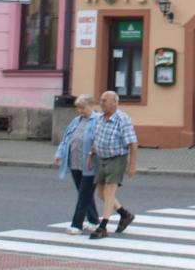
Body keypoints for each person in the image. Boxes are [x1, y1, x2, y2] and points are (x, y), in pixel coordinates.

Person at [87, 90, 138, 239]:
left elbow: (133, 143)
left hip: (117, 158)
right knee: (100, 193)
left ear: (114, 103)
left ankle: (103, 227)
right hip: (102, 158)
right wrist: (91, 155)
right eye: (101, 100)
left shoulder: (122, 119)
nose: (101, 103)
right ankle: (124, 214)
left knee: (109, 192)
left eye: (104, 101)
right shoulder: (100, 118)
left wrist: (132, 164)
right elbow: (97, 139)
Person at [52, 94, 101, 234]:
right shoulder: (76, 121)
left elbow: (99, 139)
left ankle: (76, 224)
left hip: (90, 164)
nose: (80, 111)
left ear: (91, 106)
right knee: (84, 193)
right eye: (78, 108)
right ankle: (93, 221)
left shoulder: (98, 120)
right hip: (75, 162)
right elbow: (66, 138)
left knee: (84, 194)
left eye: (82, 107)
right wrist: (59, 155)